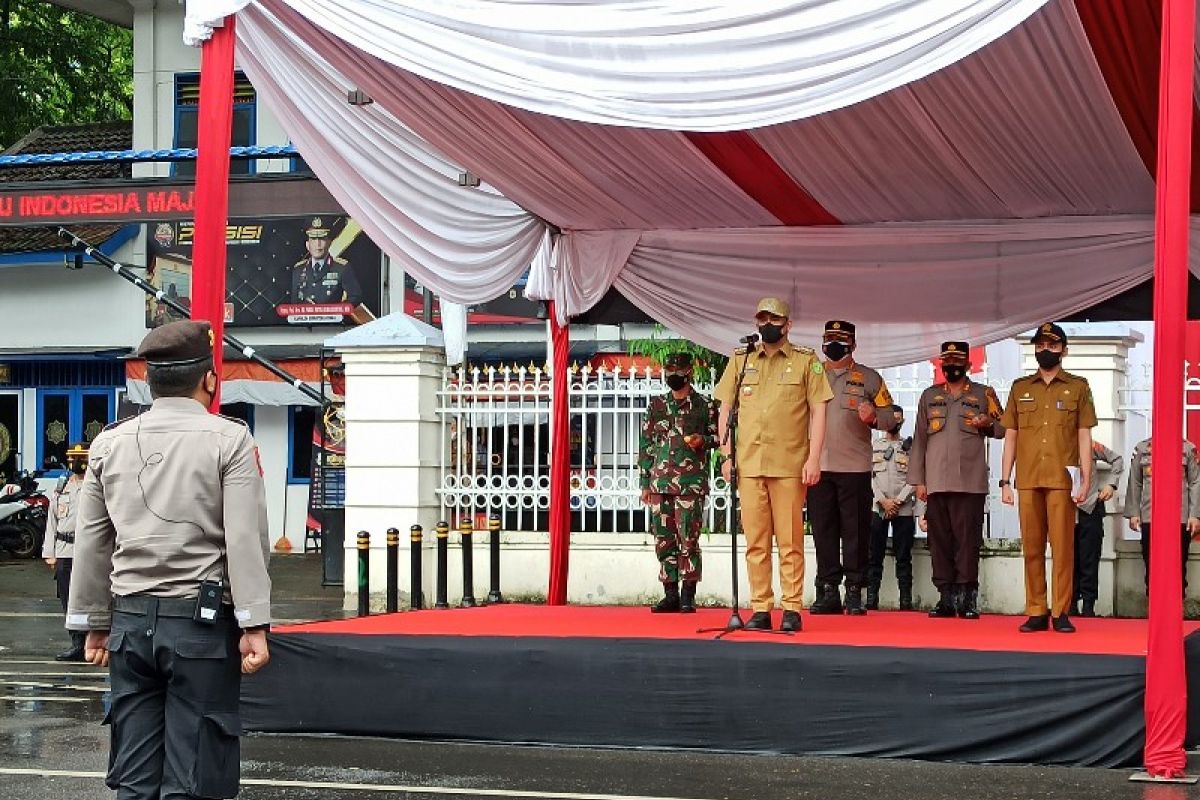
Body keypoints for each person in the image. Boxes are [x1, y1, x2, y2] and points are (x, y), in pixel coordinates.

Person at [68, 319, 272, 800]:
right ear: (209, 379)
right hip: (198, 627)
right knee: (194, 776)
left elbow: (93, 541)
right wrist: (253, 624)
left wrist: (93, 622)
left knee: (135, 777)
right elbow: (244, 538)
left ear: (150, 381)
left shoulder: (108, 443)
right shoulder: (230, 440)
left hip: (129, 623)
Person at [715, 297, 832, 632]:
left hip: (790, 464)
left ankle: (792, 607)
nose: (767, 325)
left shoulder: (806, 361)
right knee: (756, 540)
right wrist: (726, 455)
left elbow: (819, 411)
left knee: (790, 540)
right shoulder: (741, 360)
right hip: (749, 463)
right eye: (762, 318)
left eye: (774, 319)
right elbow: (725, 409)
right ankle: (761, 608)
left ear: (788, 325)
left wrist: (813, 458)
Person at [999, 323, 1097, 633]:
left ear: (1064, 351)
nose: (1045, 350)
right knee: (1031, 546)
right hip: (1027, 478)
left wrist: (1085, 480)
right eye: (1041, 345)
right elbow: (1010, 436)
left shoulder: (1078, 387)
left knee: (1063, 548)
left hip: (1061, 479)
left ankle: (1061, 611)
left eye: (1052, 346)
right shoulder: (1020, 388)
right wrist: (1005, 481)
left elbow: (1084, 436)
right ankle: (1037, 610)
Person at [909, 342, 1005, 620]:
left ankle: (967, 597)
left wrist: (986, 423)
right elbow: (920, 441)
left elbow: (1003, 427)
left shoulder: (983, 394)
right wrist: (919, 481)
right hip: (936, 481)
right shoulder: (929, 396)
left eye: (957, 360)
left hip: (969, 482)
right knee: (939, 542)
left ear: (968, 364)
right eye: (946, 359)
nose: (951, 364)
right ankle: (946, 597)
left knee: (967, 541)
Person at [808, 320, 896, 616]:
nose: (833, 344)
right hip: (818, 466)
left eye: (840, 339)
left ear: (853, 345)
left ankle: (855, 591)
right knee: (823, 530)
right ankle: (829, 589)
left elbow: (892, 417)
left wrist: (873, 418)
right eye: (829, 339)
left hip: (854, 466)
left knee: (855, 531)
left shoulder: (869, 378)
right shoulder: (812, 373)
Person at [638, 353, 718, 613]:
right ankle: (670, 592)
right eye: (668, 370)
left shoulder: (704, 405)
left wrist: (702, 441)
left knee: (689, 538)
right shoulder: (657, 405)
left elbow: (718, 437)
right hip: (660, 484)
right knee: (663, 540)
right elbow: (646, 445)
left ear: (689, 372)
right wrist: (644, 482)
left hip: (689, 484)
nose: (672, 374)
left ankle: (688, 594)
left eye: (677, 370)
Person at [1125, 437, 1200, 598]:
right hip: (1150, 515)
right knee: (1151, 563)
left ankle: (1177, 604)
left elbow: (1195, 482)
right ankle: (1153, 604)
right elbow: (1135, 482)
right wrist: (1133, 513)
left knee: (1178, 564)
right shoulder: (1142, 448)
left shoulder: (1188, 449)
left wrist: (1194, 515)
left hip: (1179, 517)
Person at [866, 406, 921, 610]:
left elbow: (916, 477)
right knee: (874, 555)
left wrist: (898, 501)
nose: (894, 423)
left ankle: (905, 601)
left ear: (902, 421)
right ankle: (872, 599)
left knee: (904, 556)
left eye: (897, 419)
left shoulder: (910, 448)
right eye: (890, 419)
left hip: (903, 509)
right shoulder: (874, 446)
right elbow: (869, 476)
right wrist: (882, 500)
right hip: (878, 508)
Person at [42, 442, 89, 661]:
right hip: (65, 550)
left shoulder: (97, 484)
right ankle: (77, 642)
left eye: (81, 458)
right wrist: (49, 552)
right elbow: (52, 520)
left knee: (90, 598)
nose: (76, 463)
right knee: (68, 599)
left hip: (89, 551)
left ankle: (92, 641)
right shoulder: (62, 486)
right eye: (73, 458)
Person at [1073, 442, 1123, 617]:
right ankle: (1068, 604)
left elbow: (1117, 460)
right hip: (1064, 508)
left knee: (1090, 558)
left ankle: (1088, 606)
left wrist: (1111, 485)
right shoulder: (1054, 443)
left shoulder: (1090, 445)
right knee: (1066, 560)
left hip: (1090, 507)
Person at [291, 216, 362, 305]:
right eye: (313, 239)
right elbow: (294, 302)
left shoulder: (341, 268)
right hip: (306, 318)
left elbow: (355, 297)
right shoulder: (298, 269)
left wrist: (335, 311)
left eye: (322, 239)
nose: (318, 244)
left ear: (329, 242)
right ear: (307, 244)